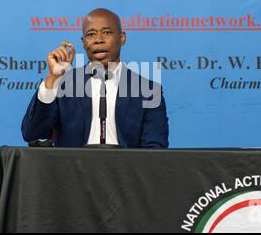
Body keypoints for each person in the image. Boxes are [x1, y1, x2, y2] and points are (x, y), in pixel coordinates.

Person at [21, 8, 169, 148]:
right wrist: (53, 79)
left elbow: (153, 151)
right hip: (71, 173)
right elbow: (32, 133)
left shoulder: (148, 90)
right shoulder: (63, 84)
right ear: (83, 42)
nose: (98, 40)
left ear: (122, 38)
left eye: (107, 32)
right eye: (90, 34)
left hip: (126, 173)